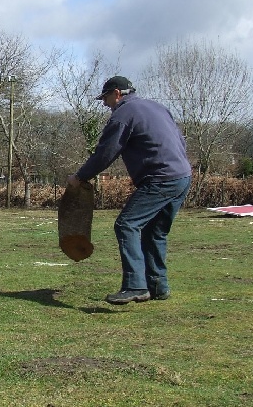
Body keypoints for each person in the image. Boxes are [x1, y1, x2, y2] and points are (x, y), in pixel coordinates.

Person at [67, 76, 191, 305]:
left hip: (160, 178)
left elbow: (106, 153)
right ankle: (158, 287)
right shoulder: (157, 107)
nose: (105, 104)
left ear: (116, 93)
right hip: (182, 176)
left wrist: (80, 177)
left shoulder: (123, 114)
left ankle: (135, 285)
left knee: (127, 224)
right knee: (155, 232)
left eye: (105, 98)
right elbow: (179, 140)